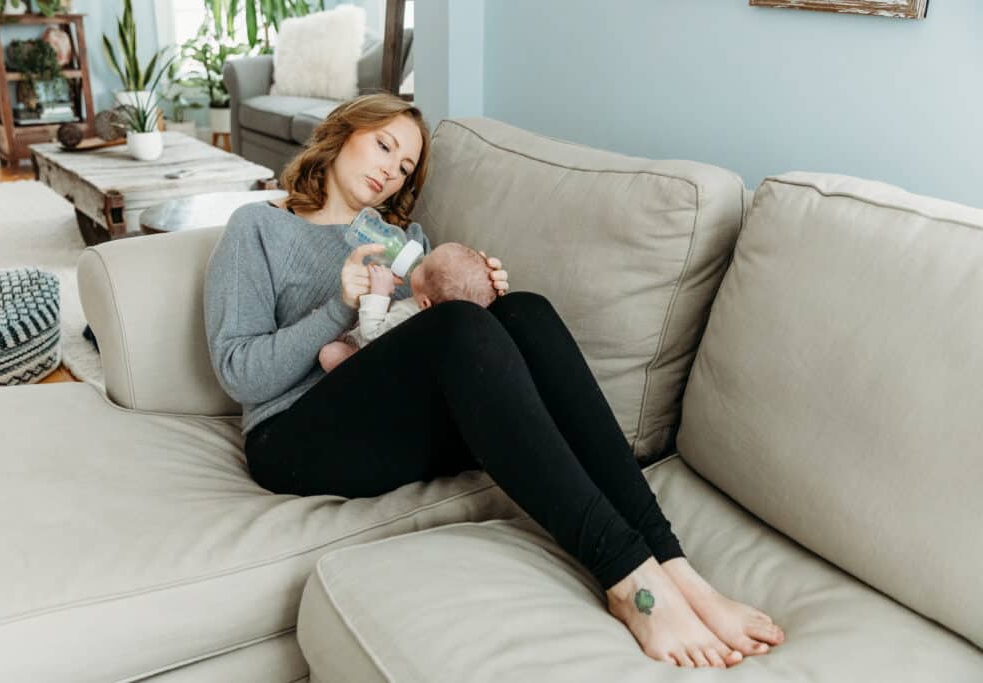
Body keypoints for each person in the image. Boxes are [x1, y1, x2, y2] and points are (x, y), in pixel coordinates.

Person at [203, 93, 785, 669]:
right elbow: (240, 376)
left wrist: (481, 294)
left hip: (393, 429)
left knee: (523, 311)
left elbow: (434, 351)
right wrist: (339, 304)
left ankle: (674, 566)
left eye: (404, 166)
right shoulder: (259, 228)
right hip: (295, 437)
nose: (390, 170)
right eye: (383, 145)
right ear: (341, 132)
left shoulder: (408, 244)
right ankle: (631, 581)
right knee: (459, 326)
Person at [319, 242, 496, 373]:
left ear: (426, 304)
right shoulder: (425, 308)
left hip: (371, 359)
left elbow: (372, 335)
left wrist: (379, 293)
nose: (422, 258)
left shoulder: (411, 317)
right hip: (368, 344)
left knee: (330, 354)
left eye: (422, 266)